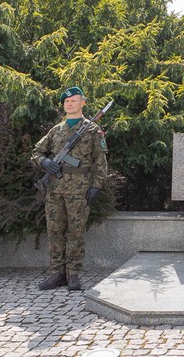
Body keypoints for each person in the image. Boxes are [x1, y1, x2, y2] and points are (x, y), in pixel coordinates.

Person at [32, 86, 108, 291]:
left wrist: (96, 186)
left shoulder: (93, 130)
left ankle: (73, 274)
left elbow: (100, 161)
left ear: (83, 103)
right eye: (66, 101)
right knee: (54, 231)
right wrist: (45, 163)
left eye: (73, 100)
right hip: (55, 190)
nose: (69, 103)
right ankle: (57, 274)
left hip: (79, 189)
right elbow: (36, 152)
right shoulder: (55, 131)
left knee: (76, 232)